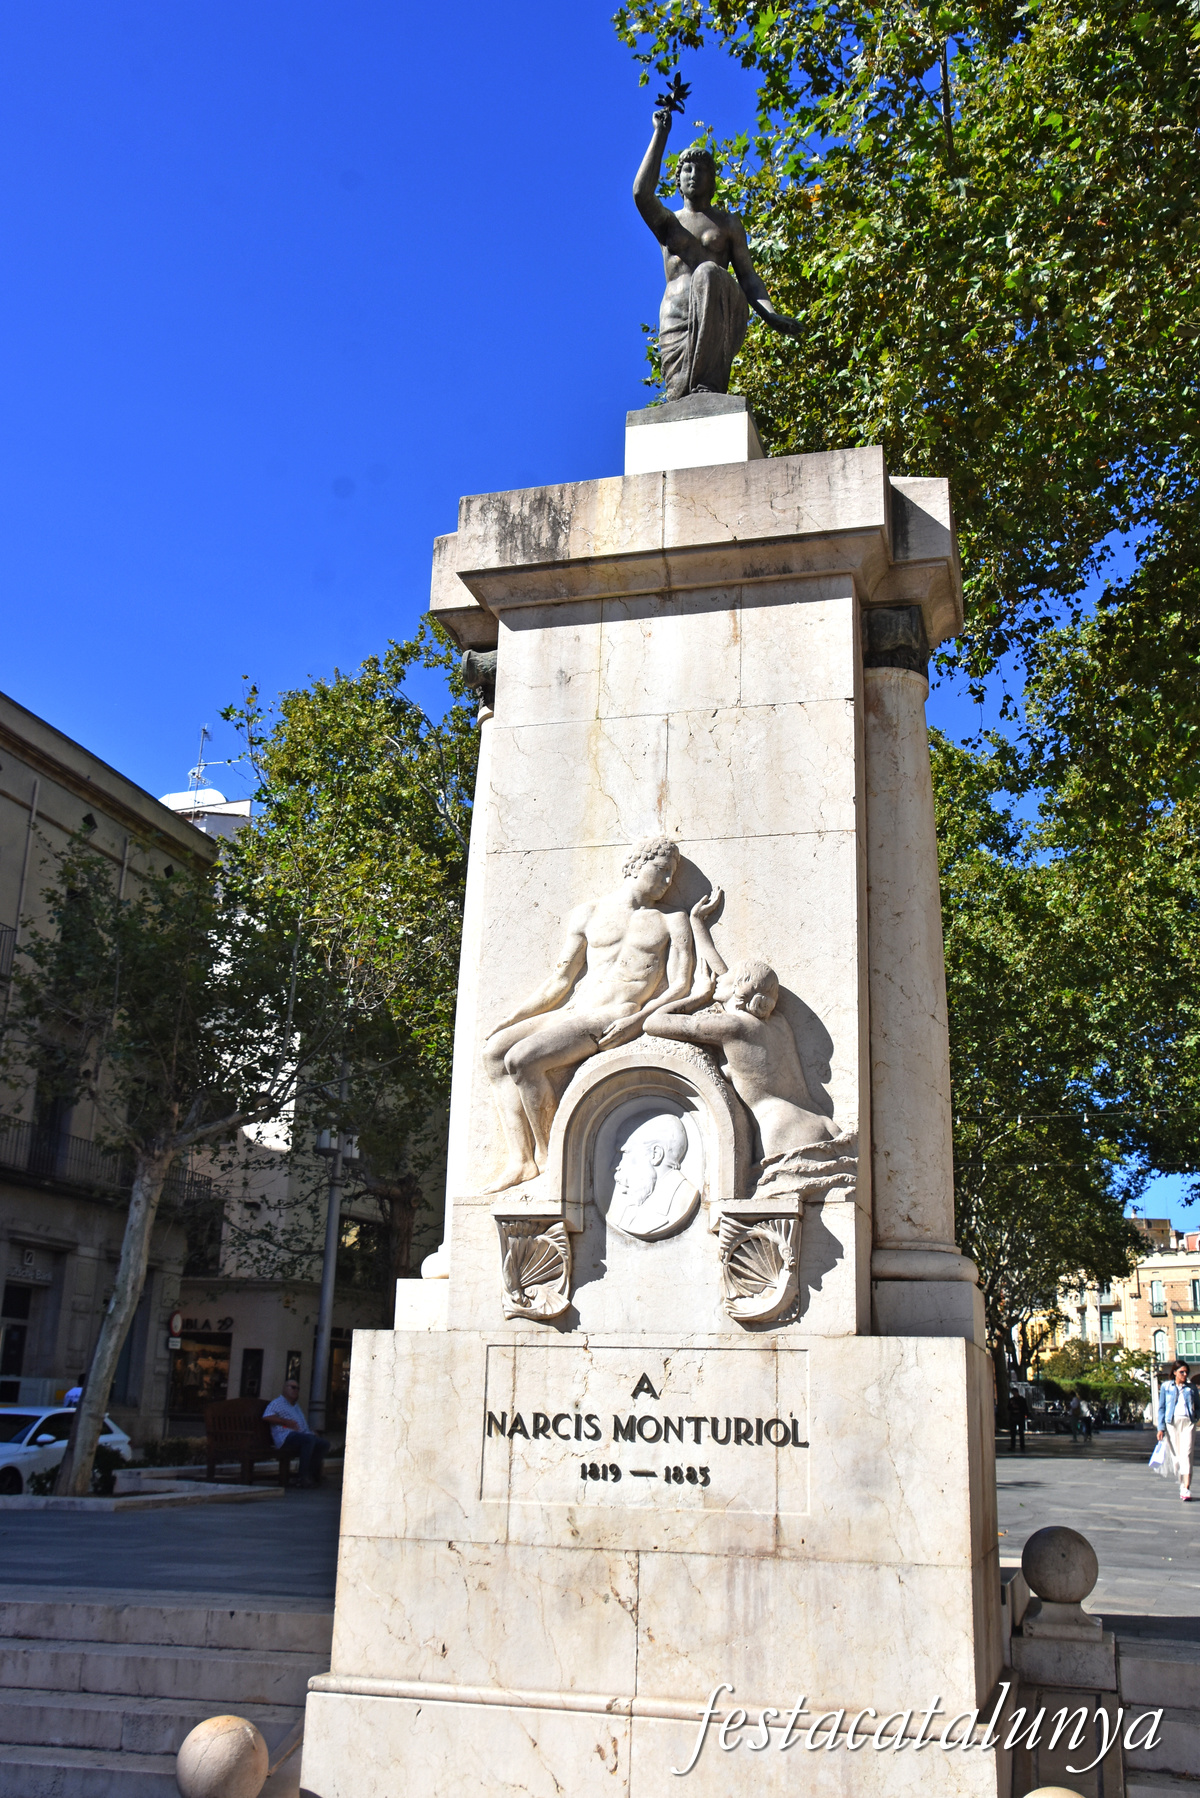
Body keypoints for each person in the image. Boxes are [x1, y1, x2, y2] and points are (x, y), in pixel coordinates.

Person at [482, 838, 700, 1190]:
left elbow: (681, 987)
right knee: (494, 1052)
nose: (665, 882)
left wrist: (637, 1021)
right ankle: (521, 1160)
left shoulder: (672, 920)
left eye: (671, 876)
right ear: (635, 866)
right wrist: (513, 1019)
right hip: (575, 1009)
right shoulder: (589, 913)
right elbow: (560, 980)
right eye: (660, 871)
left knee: (523, 1060)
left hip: (616, 1012)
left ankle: (550, 1159)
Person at [633, 109, 803, 399]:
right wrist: (660, 134)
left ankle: (709, 381)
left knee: (709, 272)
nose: (694, 175)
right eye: (687, 169)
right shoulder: (668, 222)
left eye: (702, 170)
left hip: (719, 315)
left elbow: (748, 279)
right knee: (678, 401)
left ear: (713, 181)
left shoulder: (728, 224)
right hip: (676, 317)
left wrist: (771, 314)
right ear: (678, 180)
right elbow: (641, 194)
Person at [263, 1379, 330, 1489]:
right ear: (285, 1388)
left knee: (323, 1444)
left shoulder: (295, 1406)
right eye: (293, 1387)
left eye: (297, 1388)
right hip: (286, 1436)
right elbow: (266, 1416)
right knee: (309, 1440)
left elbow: (302, 1426)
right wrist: (284, 1422)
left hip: (301, 1436)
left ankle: (311, 1474)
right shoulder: (277, 1403)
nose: (296, 1390)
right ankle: (302, 1476)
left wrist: (311, 1432)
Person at [1158, 1360, 1198, 1501]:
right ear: (1174, 1372)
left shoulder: (1191, 1388)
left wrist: (1195, 1417)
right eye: (1182, 1372)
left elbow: (1198, 1406)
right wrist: (1161, 1428)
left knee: (1187, 1455)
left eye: (1186, 1372)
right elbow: (1161, 1407)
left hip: (1188, 1423)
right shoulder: (1166, 1387)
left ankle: (1186, 1488)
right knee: (1177, 1459)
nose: (1185, 1374)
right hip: (1172, 1424)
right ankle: (1181, 1484)